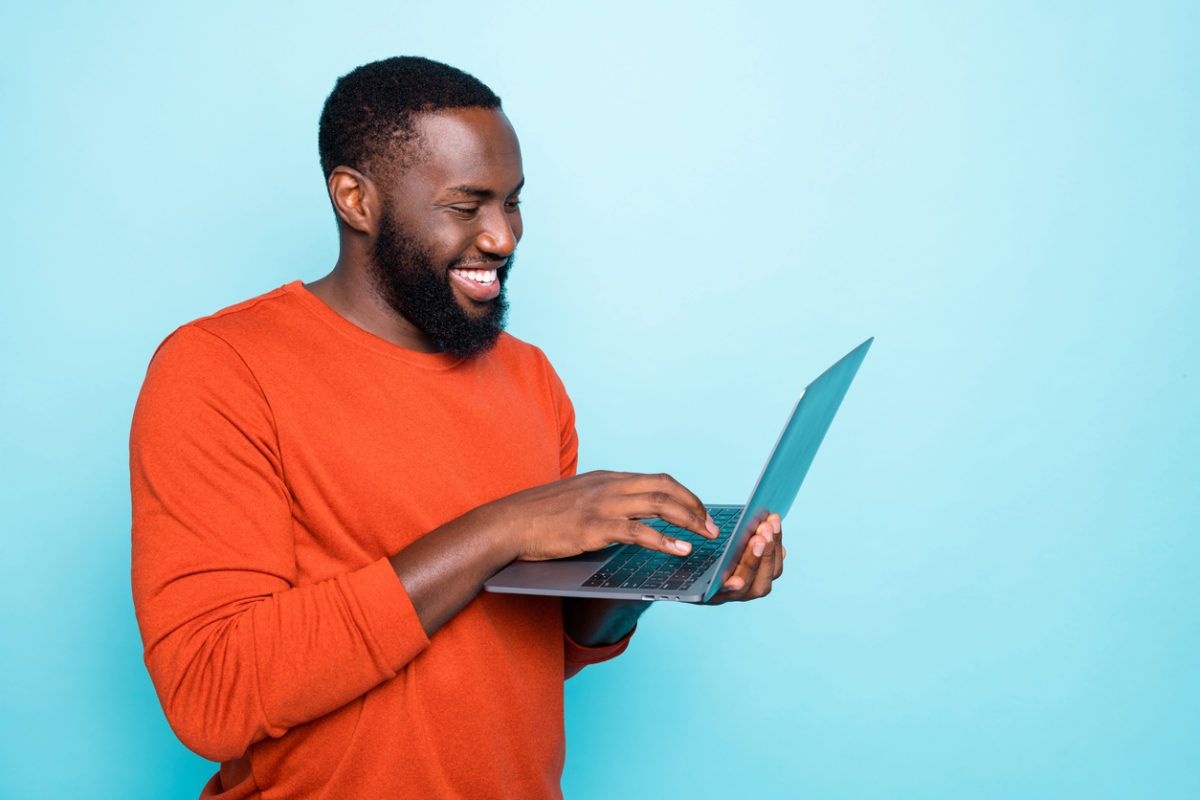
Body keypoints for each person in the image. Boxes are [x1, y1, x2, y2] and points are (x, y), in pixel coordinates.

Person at [130, 56, 785, 799]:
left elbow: (525, 656)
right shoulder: (219, 369)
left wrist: (657, 574)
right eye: (466, 205)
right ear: (355, 199)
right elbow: (213, 695)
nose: (503, 236)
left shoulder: (531, 379)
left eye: (512, 202)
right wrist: (500, 529)